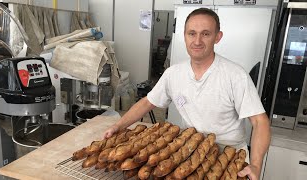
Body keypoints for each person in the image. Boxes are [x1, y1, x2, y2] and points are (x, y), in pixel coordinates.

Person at [104, 8, 270, 180]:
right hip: (189, 151)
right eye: (192, 33)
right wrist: (118, 126)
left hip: (230, 156)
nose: (197, 41)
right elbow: (147, 102)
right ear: (184, 36)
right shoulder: (173, 74)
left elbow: (260, 122)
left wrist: (256, 164)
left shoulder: (235, 75)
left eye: (205, 34)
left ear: (217, 37)